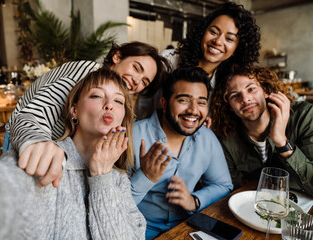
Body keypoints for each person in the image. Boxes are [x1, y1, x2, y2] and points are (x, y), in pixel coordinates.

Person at [0, 68, 146, 240]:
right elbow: (0, 189)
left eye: (118, 100)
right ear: (74, 111)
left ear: (123, 118)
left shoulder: (119, 179)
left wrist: (102, 176)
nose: (109, 105)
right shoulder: (46, 157)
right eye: (96, 96)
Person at [4, 41, 170, 187]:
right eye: (135, 68)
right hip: (25, 139)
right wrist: (37, 142)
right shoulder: (88, 71)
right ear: (117, 57)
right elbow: (35, 112)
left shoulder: (118, 105)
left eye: (144, 81)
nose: (136, 81)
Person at [131, 67, 233, 239]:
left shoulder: (207, 138)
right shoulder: (132, 136)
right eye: (184, 100)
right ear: (164, 103)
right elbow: (111, 205)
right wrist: (145, 177)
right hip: (139, 229)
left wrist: (194, 201)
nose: (193, 110)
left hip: (189, 227)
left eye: (201, 102)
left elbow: (223, 186)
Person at [135, 2, 261, 120]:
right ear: (203, 32)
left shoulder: (226, 83)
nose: (218, 41)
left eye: (229, 39)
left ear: (237, 49)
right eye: (213, 32)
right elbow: (143, 107)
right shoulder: (169, 61)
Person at [210, 65, 313, 197]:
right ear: (229, 105)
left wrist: (282, 142)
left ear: (265, 90)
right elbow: (231, 192)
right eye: (235, 95)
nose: (245, 99)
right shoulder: (226, 139)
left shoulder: (303, 116)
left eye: (251, 89)